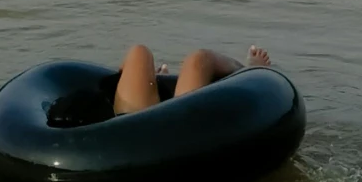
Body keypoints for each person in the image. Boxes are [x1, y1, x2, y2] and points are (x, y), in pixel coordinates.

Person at [114, 42, 271, 116]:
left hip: (130, 131)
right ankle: (250, 71)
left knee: (139, 53)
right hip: (181, 137)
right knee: (199, 59)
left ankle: (161, 92)